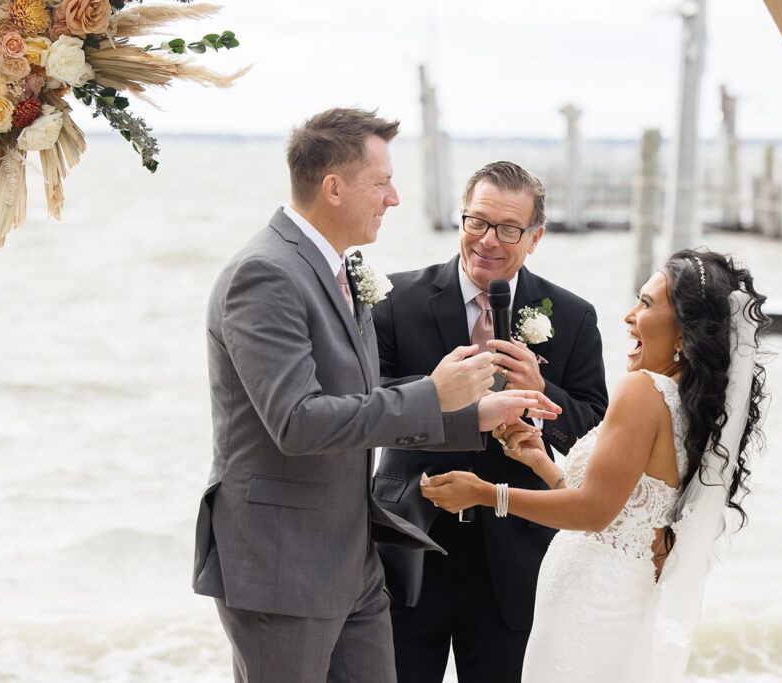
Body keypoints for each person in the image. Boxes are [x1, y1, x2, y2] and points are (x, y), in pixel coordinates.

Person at [191, 108, 560, 683]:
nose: (393, 198)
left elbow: (358, 405)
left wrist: (475, 416)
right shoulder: (264, 274)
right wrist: (434, 395)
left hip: (355, 559)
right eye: (381, 182)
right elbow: (296, 422)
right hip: (283, 561)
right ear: (334, 188)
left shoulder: (339, 268)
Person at [421, 248, 770, 681]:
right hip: (618, 596)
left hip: (591, 605)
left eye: (645, 304)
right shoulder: (688, 406)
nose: (628, 316)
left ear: (683, 330)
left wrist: (485, 493)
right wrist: (538, 463)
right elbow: (626, 510)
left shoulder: (642, 389)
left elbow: (593, 512)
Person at [372, 161, 607, 682]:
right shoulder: (393, 300)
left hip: (517, 549)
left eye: (507, 228)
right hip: (411, 537)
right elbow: (368, 405)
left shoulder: (571, 316)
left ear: (535, 236)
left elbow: (595, 429)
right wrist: (433, 393)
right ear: (461, 220)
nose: (488, 241)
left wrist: (545, 391)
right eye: (476, 221)